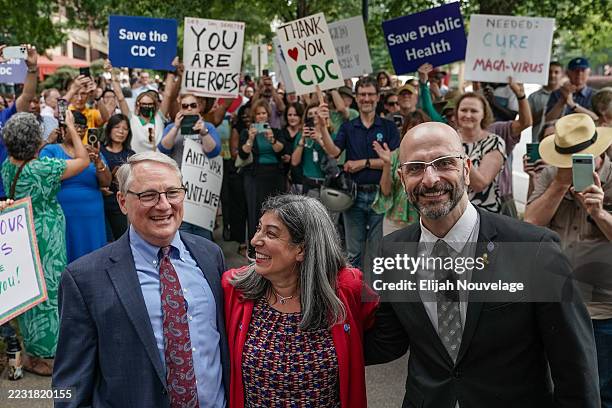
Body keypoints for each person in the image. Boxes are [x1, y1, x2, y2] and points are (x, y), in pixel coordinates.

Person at [364, 121, 600, 407]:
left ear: (466, 167)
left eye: (444, 163)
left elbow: (574, 366)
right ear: (402, 178)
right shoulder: (393, 251)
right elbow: (388, 342)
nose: (429, 179)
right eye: (415, 168)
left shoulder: (532, 249)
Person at [52, 151, 230, 408]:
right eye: (148, 195)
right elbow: (70, 388)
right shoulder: (84, 279)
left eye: (173, 192)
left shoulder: (210, 255)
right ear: (123, 202)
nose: (164, 205)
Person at [222, 194, 378, 408]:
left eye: (271, 233)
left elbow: (383, 327)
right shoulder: (234, 289)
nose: (255, 240)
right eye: (259, 228)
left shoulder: (347, 287)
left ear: (302, 249)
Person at [524, 113, 612, 406]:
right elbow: (530, 225)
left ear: (597, 151)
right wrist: (559, 185)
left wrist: (600, 213)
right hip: (555, 300)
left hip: (602, 308)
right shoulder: (551, 175)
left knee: (600, 389)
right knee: (555, 385)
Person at [0, 111, 89, 375]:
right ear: (34, 141)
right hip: (46, 233)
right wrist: (72, 128)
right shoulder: (43, 169)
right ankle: (48, 357)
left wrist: (44, 142)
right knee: (50, 291)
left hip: (23, 231)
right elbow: (82, 161)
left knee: (31, 290)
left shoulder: (9, 164)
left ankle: (32, 350)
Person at [320, 76, 400, 269]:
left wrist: (363, 163)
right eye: (362, 94)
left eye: (370, 94)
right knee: (354, 253)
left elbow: (395, 161)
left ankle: (375, 298)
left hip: (381, 196)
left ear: (378, 97)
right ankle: (355, 297)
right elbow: (333, 152)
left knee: (377, 253)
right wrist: (322, 126)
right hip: (353, 197)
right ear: (356, 97)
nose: (366, 99)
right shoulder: (348, 127)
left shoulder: (389, 127)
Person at [39, 111, 111, 262]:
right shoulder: (51, 150)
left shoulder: (92, 151)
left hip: (93, 214)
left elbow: (106, 182)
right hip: (64, 213)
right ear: (64, 129)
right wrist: (82, 160)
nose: (79, 131)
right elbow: (48, 178)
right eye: (75, 126)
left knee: (94, 257)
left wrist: (98, 162)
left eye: (82, 127)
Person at [158, 93, 221, 241]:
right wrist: (176, 127)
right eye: (185, 106)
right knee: (182, 235)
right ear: (180, 109)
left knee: (203, 237)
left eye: (193, 105)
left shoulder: (208, 127)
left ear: (198, 108)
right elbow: (163, 148)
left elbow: (213, 151)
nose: (189, 109)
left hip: (200, 192)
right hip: (178, 191)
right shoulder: (171, 127)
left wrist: (203, 132)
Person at [239, 99, 289, 257]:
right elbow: (242, 154)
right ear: (254, 116)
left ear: (268, 115)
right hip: (255, 176)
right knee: (255, 213)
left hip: (275, 175)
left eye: (264, 113)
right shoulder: (246, 132)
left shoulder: (276, 130)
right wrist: (250, 139)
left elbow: (282, 151)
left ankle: (276, 249)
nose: (261, 116)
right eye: (258, 113)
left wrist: (272, 139)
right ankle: (254, 251)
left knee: (277, 214)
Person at [106, 60, 177, 154]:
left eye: (149, 104)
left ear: (154, 105)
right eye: (143, 104)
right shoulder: (131, 119)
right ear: (138, 105)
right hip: (137, 165)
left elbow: (167, 95)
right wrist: (111, 72)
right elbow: (120, 97)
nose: (146, 106)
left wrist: (171, 71)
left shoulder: (159, 117)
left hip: (158, 164)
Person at [455, 92, 506, 213]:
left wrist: (457, 151)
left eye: (474, 111)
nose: (468, 115)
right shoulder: (448, 137)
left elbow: (480, 184)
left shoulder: (494, 142)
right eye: (463, 110)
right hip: (451, 214)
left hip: (483, 213)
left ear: (484, 114)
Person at [100, 114, 135, 240]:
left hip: (120, 203)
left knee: (121, 238)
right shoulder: (99, 151)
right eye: (117, 127)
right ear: (109, 129)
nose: (121, 131)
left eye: (125, 128)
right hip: (100, 201)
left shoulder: (130, 155)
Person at [545, 57, 597, 122]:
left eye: (583, 70)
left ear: (589, 72)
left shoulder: (595, 95)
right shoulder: (557, 93)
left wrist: (573, 105)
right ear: (568, 73)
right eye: (575, 70)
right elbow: (548, 119)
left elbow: (597, 119)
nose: (579, 74)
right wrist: (562, 100)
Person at [528, 61, 564, 141]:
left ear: (562, 75)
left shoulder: (568, 96)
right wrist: (546, 112)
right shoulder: (534, 97)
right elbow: (528, 121)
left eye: (556, 72)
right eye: (549, 72)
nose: (552, 75)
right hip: (538, 142)